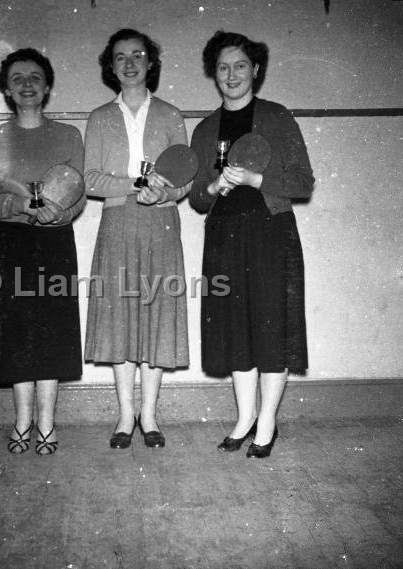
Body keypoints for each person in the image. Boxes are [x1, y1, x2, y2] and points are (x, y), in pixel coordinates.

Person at [189, 31, 314, 458]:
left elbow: (302, 182)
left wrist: (256, 179)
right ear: (214, 74)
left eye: (240, 65)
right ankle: (244, 418)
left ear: (255, 70)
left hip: (270, 232)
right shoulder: (205, 129)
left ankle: (267, 423)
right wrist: (212, 185)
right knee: (234, 329)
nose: (232, 74)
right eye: (223, 67)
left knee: (270, 327)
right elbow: (196, 199)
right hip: (224, 235)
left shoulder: (278, 117)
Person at [84, 29, 190, 449]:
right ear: (111, 66)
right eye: (121, 57)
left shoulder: (171, 114)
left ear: (151, 63)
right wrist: (135, 184)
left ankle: (150, 415)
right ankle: (125, 415)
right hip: (117, 224)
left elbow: (184, 179)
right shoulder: (98, 117)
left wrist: (163, 192)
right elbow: (91, 180)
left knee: (157, 314)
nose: (130, 63)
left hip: (161, 224)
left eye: (138, 56)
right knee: (120, 316)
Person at [0, 48, 85, 455]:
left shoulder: (68, 136)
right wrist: (18, 207)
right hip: (9, 242)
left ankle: (47, 423)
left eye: (35, 77)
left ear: (47, 86)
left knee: (52, 334)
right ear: (7, 88)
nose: (27, 84)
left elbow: (76, 197)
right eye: (18, 78)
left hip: (55, 242)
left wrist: (57, 215)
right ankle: (22, 421)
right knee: (16, 334)